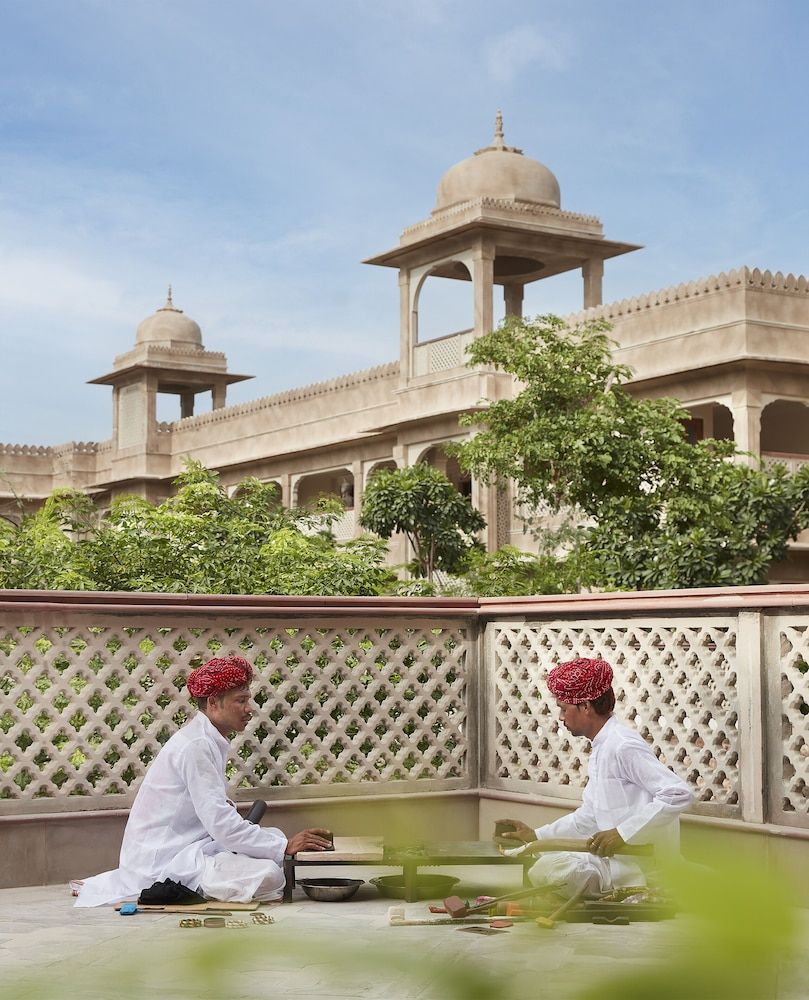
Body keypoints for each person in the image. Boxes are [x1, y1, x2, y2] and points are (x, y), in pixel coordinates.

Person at [75, 655, 332, 906]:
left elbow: (216, 816)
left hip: (189, 849)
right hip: (163, 862)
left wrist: (276, 844)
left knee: (271, 841)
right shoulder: (196, 745)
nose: (249, 708)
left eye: (248, 700)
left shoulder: (205, 739)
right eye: (240, 700)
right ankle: (188, 885)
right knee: (269, 875)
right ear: (213, 703)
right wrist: (285, 846)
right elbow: (220, 823)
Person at [498, 656, 694, 897]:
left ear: (586, 707)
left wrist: (623, 833)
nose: (561, 717)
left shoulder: (623, 745)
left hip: (643, 865)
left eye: (563, 708)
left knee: (556, 873)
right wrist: (537, 836)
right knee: (544, 870)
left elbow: (678, 794)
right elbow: (588, 816)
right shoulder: (603, 746)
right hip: (615, 863)